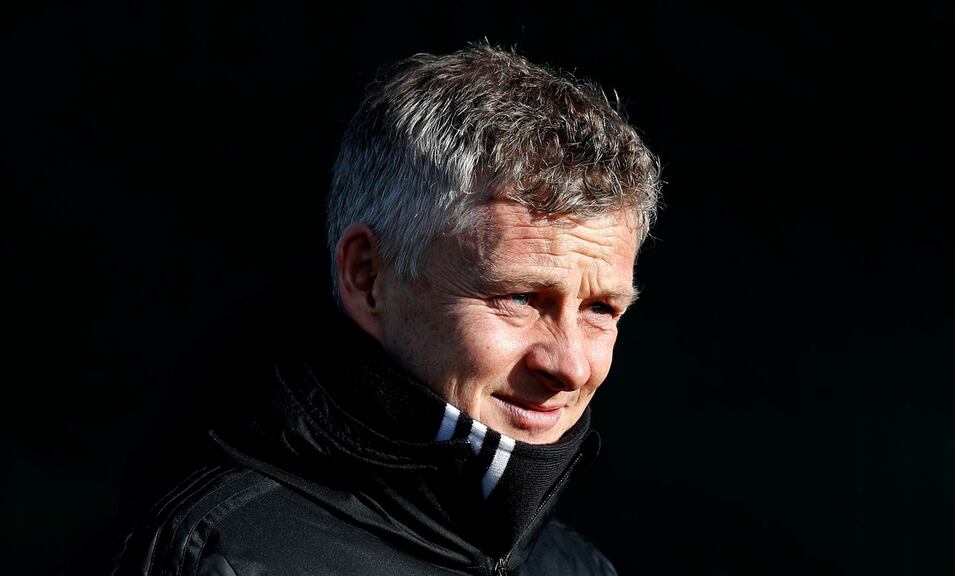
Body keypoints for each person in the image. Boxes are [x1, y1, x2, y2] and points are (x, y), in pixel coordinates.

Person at [79, 44, 661, 575]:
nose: (572, 366)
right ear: (366, 278)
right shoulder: (208, 557)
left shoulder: (577, 567)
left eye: (601, 310)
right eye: (520, 299)